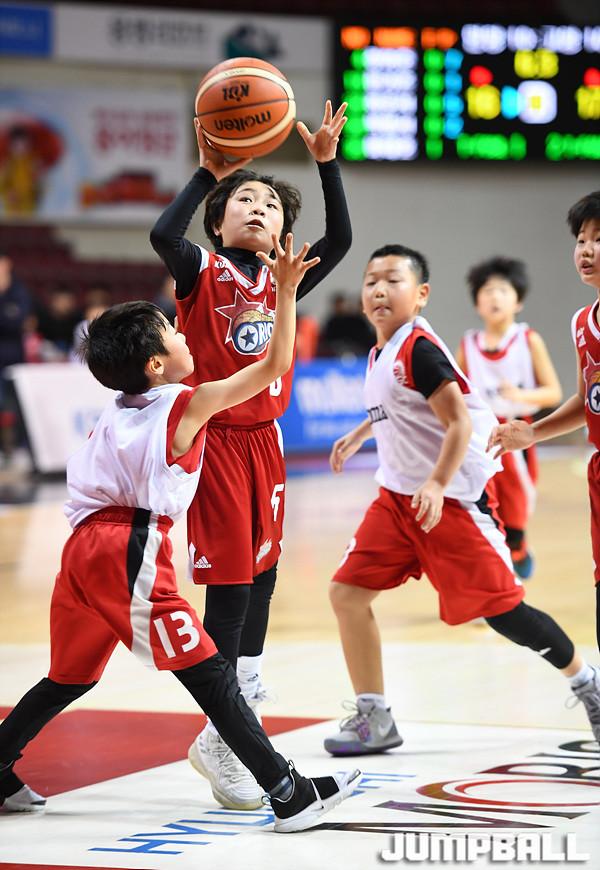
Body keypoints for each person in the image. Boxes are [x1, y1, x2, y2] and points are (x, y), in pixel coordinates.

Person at [0, 234, 359, 830]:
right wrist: (286, 293)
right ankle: (288, 792)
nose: (183, 333)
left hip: (83, 549)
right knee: (210, 673)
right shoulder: (185, 404)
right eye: (172, 331)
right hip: (128, 548)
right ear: (155, 364)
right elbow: (274, 366)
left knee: (68, 677)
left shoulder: (118, 408)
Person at [322, 243, 600, 757]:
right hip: (397, 500)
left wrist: (435, 482)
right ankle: (374, 716)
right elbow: (396, 407)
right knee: (347, 594)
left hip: (451, 502)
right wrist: (361, 432)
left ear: (421, 294)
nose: (379, 290)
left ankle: (587, 681)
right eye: (371, 281)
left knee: (505, 613)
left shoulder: (420, 349)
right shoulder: (380, 350)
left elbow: (458, 423)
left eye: (393, 281)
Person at [150, 100, 351, 808]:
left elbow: (342, 238)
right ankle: (223, 731)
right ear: (218, 221)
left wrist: (326, 165)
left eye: (270, 203)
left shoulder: (283, 279)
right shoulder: (199, 269)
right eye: (245, 200)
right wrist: (208, 172)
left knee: (262, 576)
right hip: (217, 442)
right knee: (230, 588)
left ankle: (240, 704)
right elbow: (162, 233)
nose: (259, 208)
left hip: (266, 444)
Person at [489, 191, 600, 656]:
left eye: (599, 239)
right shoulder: (582, 323)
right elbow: (585, 399)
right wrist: (533, 431)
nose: (587, 249)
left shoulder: (526, 339)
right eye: (581, 240)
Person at [455, 257, 562, 579]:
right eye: (487, 291)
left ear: (518, 301)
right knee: (484, 509)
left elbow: (554, 393)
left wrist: (520, 396)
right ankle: (496, 576)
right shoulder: (468, 344)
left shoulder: (528, 339)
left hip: (517, 433)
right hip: (480, 436)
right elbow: (455, 393)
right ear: (477, 302)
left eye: (503, 290)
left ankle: (517, 549)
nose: (494, 297)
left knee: (515, 513)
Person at [0, 251, 31, 464]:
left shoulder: (19, 291)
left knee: (16, 406)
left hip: (13, 363)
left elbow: (18, 320)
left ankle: (19, 448)